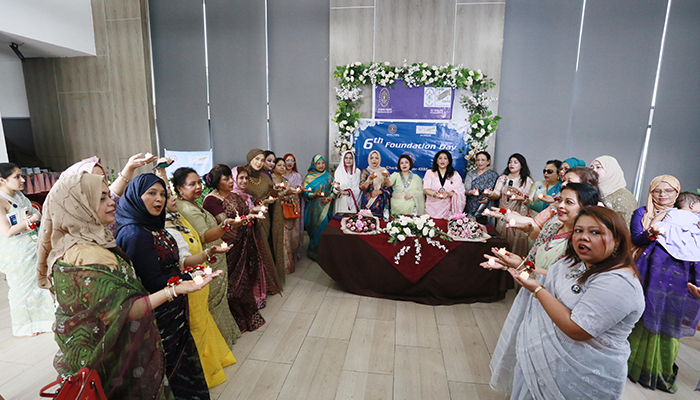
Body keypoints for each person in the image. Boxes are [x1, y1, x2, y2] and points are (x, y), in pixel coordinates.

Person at [39, 172, 217, 399]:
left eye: (108, 196)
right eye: (101, 198)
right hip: (112, 348)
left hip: (131, 334)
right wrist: (176, 288)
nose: (112, 201)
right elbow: (121, 311)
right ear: (78, 205)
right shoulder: (86, 253)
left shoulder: (94, 241)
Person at [486, 206, 644, 398]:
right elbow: (553, 283)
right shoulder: (577, 262)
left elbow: (577, 329)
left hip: (582, 374)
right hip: (545, 360)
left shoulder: (618, 283)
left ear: (617, 240)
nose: (583, 237)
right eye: (578, 230)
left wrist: (537, 290)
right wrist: (520, 265)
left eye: (595, 232)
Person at [484, 183, 602, 393]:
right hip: (531, 293)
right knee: (525, 347)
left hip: (558, 303)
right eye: (560, 200)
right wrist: (509, 265)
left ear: (586, 208)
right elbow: (531, 261)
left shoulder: (583, 242)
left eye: (569, 202)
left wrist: (519, 266)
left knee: (547, 357)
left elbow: (568, 278)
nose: (561, 206)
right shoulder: (551, 228)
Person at [115, 173, 210, 400]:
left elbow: (167, 267)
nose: (159, 199)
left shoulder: (152, 226)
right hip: (157, 315)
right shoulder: (135, 233)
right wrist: (188, 278)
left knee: (179, 366)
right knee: (165, 369)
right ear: (135, 197)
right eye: (151, 193)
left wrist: (188, 274)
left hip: (172, 308)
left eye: (162, 194)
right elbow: (150, 282)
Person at [156, 168, 237, 388]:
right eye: (166, 196)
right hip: (187, 282)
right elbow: (190, 250)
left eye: (167, 194)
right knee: (197, 326)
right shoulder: (168, 223)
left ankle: (211, 364)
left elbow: (195, 243)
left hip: (199, 273)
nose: (171, 199)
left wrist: (209, 253)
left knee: (204, 322)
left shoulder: (177, 216)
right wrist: (224, 230)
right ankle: (202, 372)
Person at [627, 174, 697, 393]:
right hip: (645, 271)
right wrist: (651, 232)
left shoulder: (687, 217)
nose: (662, 195)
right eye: (657, 190)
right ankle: (632, 366)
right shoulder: (643, 212)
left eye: (668, 191)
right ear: (650, 192)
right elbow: (636, 238)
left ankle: (659, 370)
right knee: (642, 315)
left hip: (677, 278)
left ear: (677, 193)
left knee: (669, 321)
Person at [172, 167, 242, 347]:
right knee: (214, 301)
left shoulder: (191, 203)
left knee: (219, 299)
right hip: (208, 257)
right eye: (192, 184)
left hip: (213, 254)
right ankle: (218, 345)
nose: (198, 187)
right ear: (179, 188)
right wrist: (226, 226)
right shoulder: (187, 208)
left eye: (199, 182)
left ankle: (223, 340)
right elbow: (204, 236)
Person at [203, 165, 276, 330]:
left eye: (231, 178)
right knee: (232, 284)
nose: (231, 181)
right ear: (216, 182)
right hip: (228, 248)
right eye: (226, 179)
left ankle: (243, 316)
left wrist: (253, 212)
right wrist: (247, 219)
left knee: (245, 281)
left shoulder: (234, 195)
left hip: (244, 242)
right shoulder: (212, 200)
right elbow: (225, 225)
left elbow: (242, 215)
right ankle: (233, 320)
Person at [0, 163, 54, 337]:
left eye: (21, 176)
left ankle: (43, 321)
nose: (22, 180)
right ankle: (25, 326)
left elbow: (34, 214)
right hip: (16, 251)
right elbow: (7, 232)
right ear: (2, 180)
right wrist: (31, 220)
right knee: (21, 288)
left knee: (39, 284)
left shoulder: (18, 196)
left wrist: (35, 218)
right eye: (16, 177)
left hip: (32, 243)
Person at [245, 149, 283, 287]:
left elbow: (271, 194)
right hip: (249, 219)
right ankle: (257, 286)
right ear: (250, 159)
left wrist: (277, 193)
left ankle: (265, 284)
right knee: (256, 250)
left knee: (266, 247)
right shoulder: (243, 176)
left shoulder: (265, 177)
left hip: (265, 217)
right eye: (256, 159)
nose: (259, 163)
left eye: (262, 160)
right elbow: (239, 196)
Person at [484, 153, 533, 256]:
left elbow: (529, 199)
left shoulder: (526, 180)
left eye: (515, 162)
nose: (512, 164)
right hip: (503, 212)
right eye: (510, 162)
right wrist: (490, 193)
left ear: (522, 165)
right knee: (501, 239)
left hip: (517, 213)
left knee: (515, 240)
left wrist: (518, 194)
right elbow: (496, 194)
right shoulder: (503, 178)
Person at [271, 158, 303, 274]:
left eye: (284, 166)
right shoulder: (271, 179)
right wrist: (285, 193)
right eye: (279, 165)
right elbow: (272, 195)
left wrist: (293, 193)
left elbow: (290, 192)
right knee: (280, 237)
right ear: (274, 167)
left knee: (287, 237)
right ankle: (279, 266)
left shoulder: (284, 179)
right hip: (276, 211)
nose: (282, 167)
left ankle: (286, 265)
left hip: (286, 210)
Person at [302, 154, 336, 260]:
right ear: (314, 164)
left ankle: (324, 253)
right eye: (318, 163)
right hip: (313, 209)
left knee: (324, 228)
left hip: (326, 207)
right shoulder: (309, 177)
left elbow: (333, 191)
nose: (321, 165)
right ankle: (314, 252)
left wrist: (329, 198)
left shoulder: (329, 176)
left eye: (322, 163)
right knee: (315, 230)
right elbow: (305, 193)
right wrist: (314, 195)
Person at [590, 155, 638, 225]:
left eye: (598, 167)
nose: (593, 171)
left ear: (610, 171)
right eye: (591, 168)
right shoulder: (593, 192)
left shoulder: (623, 196)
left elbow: (623, 225)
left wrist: (603, 213)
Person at [423, 150, 465, 219]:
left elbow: (459, 190)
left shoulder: (455, 174)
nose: (442, 161)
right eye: (440, 158)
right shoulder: (429, 172)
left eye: (445, 158)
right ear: (436, 161)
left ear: (449, 161)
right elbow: (425, 189)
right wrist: (435, 194)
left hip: (448, 209)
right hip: (431, 208)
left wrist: (448, 194)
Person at [464, 151, 499, 223]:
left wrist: (489, 198)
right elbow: (465, 190)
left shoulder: (493, 175)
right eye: (478, 160)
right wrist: (471, 192)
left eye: (483, 160)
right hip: (471, 206)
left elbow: (496, 193)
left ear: (488, 162)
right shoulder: (471, 174)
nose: (480, 162)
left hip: (486, 208)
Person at [283, 153, 305, 256]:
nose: (290, 163)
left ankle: (294, 250)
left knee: (295, 226)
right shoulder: (280, 175)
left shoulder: (297, 175)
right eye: (287, 160)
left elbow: (299, 188)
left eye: (292, 161)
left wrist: (299, 190)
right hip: (283, 203)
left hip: (294, 203)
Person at [359, 150, 392, 215]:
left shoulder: (384, 171)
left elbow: (389, 188)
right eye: (372, 158)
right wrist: (369, 180)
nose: (374, 160)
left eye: (376, 158)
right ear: (369, 159)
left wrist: (381, 191)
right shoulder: (365, 171)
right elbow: (361, 188)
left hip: (381, 203)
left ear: (379, 159)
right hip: (368, 203)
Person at [333, 150, 361, 214]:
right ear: (343, 159)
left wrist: (347, 192)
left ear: (353, 160)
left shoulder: (357, 172)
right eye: (346, 158)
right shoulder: (338, 172)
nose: (348, 160)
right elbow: (335, 190)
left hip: (353, 201)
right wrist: (337, 188)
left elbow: (358, 189)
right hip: (341, 201)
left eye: (350, 158)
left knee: (352, 219)